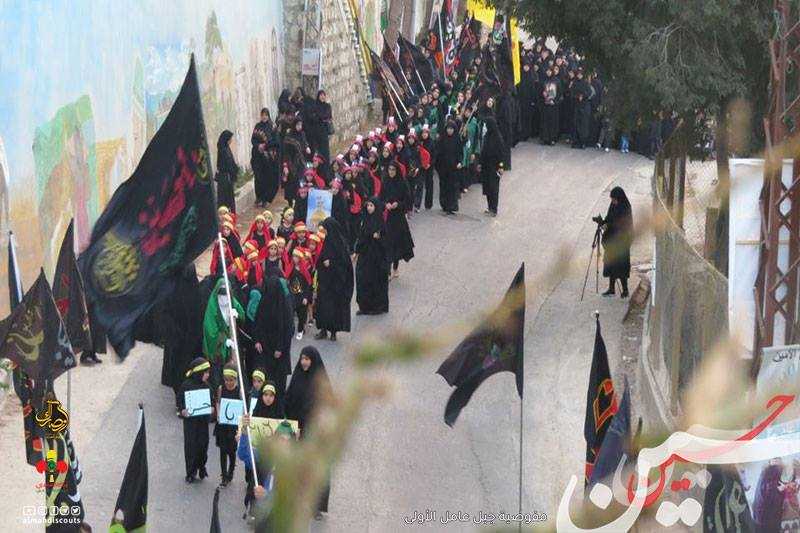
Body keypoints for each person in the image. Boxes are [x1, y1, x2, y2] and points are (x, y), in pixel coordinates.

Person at [285, 346, 332, 519]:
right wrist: (291, 425)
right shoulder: (297, 377)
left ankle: (316, 506)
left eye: (307, 359)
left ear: (314, 361)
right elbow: (288, 402)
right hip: (297, 432)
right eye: (302, 358)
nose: (304, 362)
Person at [161, 264, 204, 415]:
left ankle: (188, 403)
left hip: (186, 341)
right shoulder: (191, 290)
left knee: (186, 372)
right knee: (182, 372)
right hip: (182, 341)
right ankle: (181, 404)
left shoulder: (180, 291)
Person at [314, 218, 354, 341]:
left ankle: (333, 332)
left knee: (334, 308)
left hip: (336, 284)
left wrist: (331, 263)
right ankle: (323, 330)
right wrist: (322, 263)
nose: (324, 232)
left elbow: (345, 265)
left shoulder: (340, 245)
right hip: (325, 283)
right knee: (323, 306)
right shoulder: (327, 242)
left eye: (326, 229)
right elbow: (320, 260)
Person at [254, 276, 294, 398]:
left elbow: (287, 329)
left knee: (279, 382)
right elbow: (257, 323)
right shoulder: (263, 302)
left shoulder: (284, 307)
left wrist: (280, 347)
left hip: (279, 353)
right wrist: (257, 341)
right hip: (265, 348)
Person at [202, 280, 245, 390]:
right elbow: (210, 330)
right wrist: (224, 340)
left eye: (226, 295)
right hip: (218, 351)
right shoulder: (212, 307)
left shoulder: (232, 302)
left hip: (231, 349)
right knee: (217, 376)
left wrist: (237, 314)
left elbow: (242, 315)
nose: (224, 298)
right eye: (221, 295)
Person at [178, 357, 214, 483]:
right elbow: (180, 401)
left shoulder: (207, 386)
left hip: (203, 422)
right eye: (206, 372)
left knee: (203, 445)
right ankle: (190, 472)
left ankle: (202, 467)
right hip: (191, 424)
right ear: (199, 373)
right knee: (191, 447)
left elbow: (212, 401)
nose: (208, 375)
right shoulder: (186, 385)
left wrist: (212, 409)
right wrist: (183, 411)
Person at [594, 186, 633, 298]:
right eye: (612, 199)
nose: (613, 201)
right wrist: (602, 222)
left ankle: (625, 290)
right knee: (611, 264)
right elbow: (609, 218)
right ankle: (611, 289)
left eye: (614, 199)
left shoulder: (625, 208)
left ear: (619, 198)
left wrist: (609, 226)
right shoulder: (613, 205)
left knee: (621, 266)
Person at [355, 197, 390, 315]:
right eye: (368, 205)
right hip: (365, 255)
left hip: (376, 258)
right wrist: (357, 251)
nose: (369, 208)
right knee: (362, 279)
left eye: (371, 206)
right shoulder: (365, 220)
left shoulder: (380, 222)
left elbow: (386, 241)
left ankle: (376, 307)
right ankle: (364, 306)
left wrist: (378, 238)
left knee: (375, 280)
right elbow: (361, 236)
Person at [380, 163, 415, 277]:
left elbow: (407, 200)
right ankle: (388, 270)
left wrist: (398, 204)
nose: (391, 172)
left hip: (398, 218)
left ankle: (395, 268)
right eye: (389, 169)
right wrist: (385, 204)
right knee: (388, 243)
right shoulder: (385, 182)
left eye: (393, 170)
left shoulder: (402, 183)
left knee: (397, 243)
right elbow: (380, 198)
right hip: (387, 217)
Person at [214, 363, 241, 487]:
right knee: (223, 450)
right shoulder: (221, 389)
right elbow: (218, 402)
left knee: (231, 450)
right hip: (223, 425)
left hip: (233, 426)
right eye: (226, 380)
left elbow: (242, 407)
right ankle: (224, 475)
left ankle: (231, 470)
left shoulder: (239, 391)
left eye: (231, 380)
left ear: (235, 379)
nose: (228, 383)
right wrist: (218, 414)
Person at [480, 117, 507, 217]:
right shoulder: (487, 136)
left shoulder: (498, 138)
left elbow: (501, 154)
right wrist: (480, 163)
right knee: (487, 186)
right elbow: (483, 151)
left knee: (494, 188)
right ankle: (489, 206)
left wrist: (501, 166)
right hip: (486, 166)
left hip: (494, 166)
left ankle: (494, 208)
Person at [436, 121, 462, 214]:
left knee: (452, 187)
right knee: (444, 186)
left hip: (453, 168)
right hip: (443, 168)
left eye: (451, 129)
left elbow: (460, 152)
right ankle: (444, 204)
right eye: (448, 129)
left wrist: (459, 162)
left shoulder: (457, 139)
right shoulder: (442, 139)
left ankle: (451, 206)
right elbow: (438, 153)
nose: (449, 131)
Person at [251, 108, 275, 207]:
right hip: (257, 156)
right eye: (262, 115)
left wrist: (265, 146)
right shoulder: (257, 126)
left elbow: (275, 141)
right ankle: (259, 198)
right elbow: (253, 139)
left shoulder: (272, 127)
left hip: (267, 157)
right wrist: (258, 146)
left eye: (266, 115)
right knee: (258, 177)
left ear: (268, 116)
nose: (264, 117)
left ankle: (266, 199)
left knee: (267, 178)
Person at [216, 130, 239, 214]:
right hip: (225, 178)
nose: (231, 141)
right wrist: (234, 172)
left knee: (227, 199)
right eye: (230, 139)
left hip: (226, 177)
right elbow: (228, 164)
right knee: (225, 199)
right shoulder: (223, 150)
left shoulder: (225, 148)